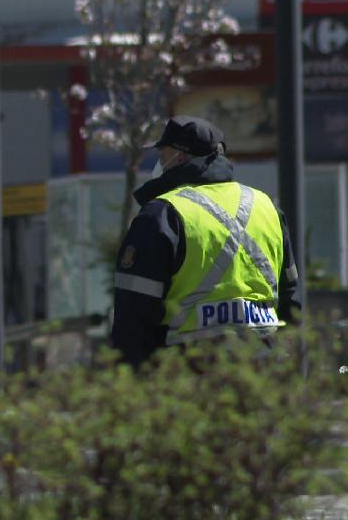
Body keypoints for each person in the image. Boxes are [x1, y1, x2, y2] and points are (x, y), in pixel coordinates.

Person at [110, 115, 299, 366]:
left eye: (161, 156)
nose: (159, 165)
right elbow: (291, 300)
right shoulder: (267, 207)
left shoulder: (163, 214)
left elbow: (134, 318)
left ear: (180, 157)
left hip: (191, 373)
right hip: (262, 369)